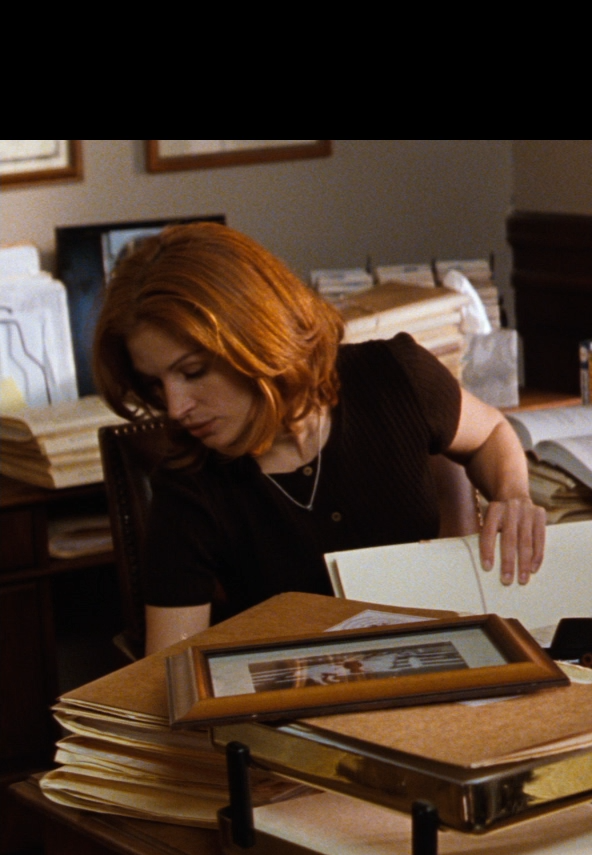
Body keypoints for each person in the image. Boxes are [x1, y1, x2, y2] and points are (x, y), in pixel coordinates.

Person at [93, 223, 547, 655]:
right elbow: (169, 670)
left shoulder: (394, 376)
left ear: (258, 336)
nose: (175, 408)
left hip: (444, 665)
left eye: (193, 371)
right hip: (300, 696)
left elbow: (491, 432)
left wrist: (513, 493)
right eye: (156, 384)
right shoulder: (187, 485)